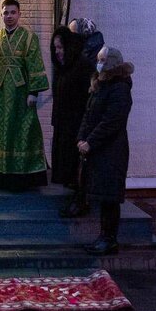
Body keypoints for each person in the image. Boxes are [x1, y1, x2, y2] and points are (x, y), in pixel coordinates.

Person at [0, 0, 50, 190]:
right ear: (1, 15)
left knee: (22, 132)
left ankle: (21, 179)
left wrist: (33, 92)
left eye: (12, 12)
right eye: (6, 13)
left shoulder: (28, 37)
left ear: (19, 14)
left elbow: (34, 64)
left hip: (21, 94)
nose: (9, 16)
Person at [76, 45, 134, 255]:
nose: (98, 62)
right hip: (98, 150)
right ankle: (103, 236)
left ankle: (109, 239)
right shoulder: (100, 85)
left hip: (111, 151)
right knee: (102, 195)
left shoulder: (119, 87)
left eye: (102, 59)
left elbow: (112, 121)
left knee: (109, 197)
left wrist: (90, 141)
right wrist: (81, 138)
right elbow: (88, 114)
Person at [50, 26, 94, 192]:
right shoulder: (62, 67)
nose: (57, 52)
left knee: (72, 163)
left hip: (76, 123)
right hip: (63, 122)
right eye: (55, 48)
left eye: (60, 47)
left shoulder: (82, 66)